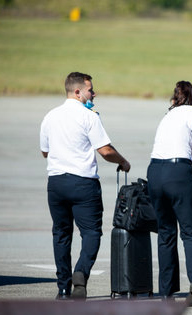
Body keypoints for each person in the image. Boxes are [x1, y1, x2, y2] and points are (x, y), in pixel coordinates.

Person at [40, 72, 131, 300]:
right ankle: (81, 272)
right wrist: (122, 161)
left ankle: (63, 288)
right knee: (91, 233)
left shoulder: (50, 116)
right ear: (78, 92)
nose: (94, 93)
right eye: (91, 90)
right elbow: (105, 150)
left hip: (56, 182)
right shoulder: (89, 116)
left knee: (61, 234)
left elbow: (45, 151)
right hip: (82, 183)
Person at [147, 81, 192, 306]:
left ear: (174, 99)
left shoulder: (167, 115)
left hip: (155, 171)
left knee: (165, 233)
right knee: (190, 232)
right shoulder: (191, 110)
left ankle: (166, 291)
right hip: (178, 172)